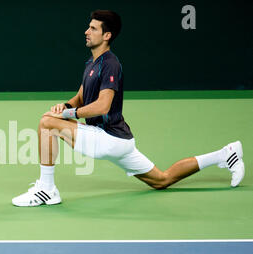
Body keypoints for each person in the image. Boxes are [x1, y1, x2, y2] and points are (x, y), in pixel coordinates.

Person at [12, 9, 245, 207]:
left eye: (93, 28)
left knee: (46, 124)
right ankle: (225, 154)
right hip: (122, 141)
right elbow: (82, 96)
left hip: (107, 139)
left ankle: (47, 189)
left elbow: (103, 106)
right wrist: (65, 106)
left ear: (107, 35)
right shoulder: (91, 63)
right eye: (88, 27)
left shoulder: (111, 64)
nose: (86, 31)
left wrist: (68, 115)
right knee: (161, 180)